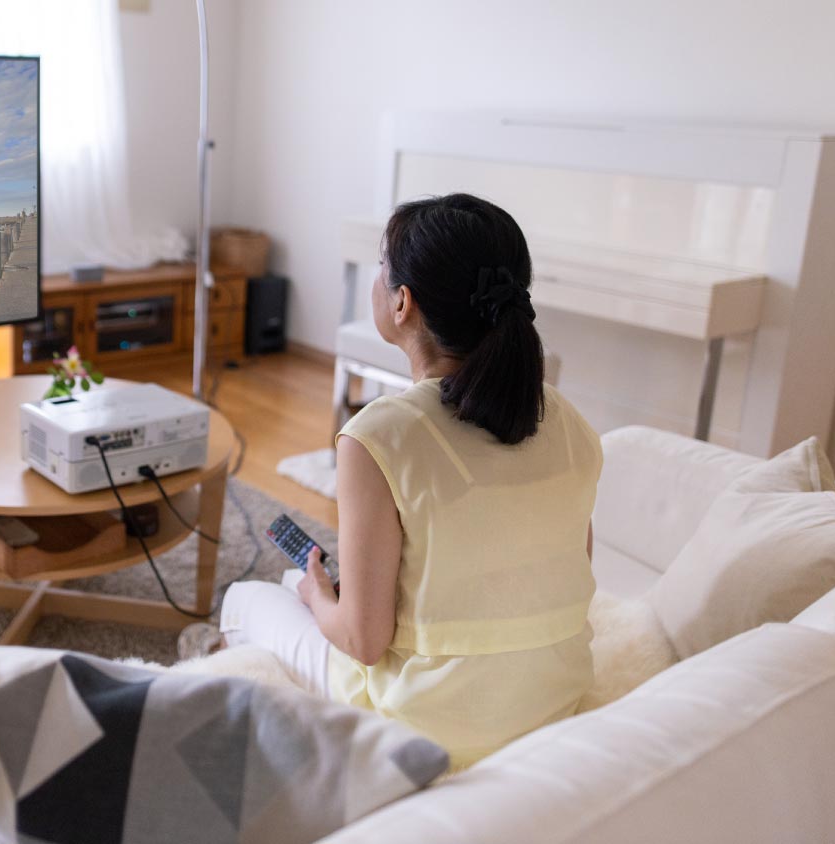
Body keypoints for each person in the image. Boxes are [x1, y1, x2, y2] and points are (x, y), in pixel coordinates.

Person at [182, 193, 603, 769]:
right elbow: (572, 574)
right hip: (555, 701)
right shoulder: (570, 421)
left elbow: (363, 642)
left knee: (251, 596)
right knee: (302, 585)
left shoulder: (379, 436)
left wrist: (315, 596)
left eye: (382, 268)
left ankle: (262, 726)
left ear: (402, 302)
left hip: (425, 729)